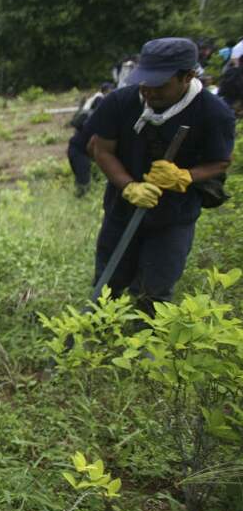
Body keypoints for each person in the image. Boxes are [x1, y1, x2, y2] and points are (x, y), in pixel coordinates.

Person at [85, 37, 235, 319]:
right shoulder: (120, 102)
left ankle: (146, 357)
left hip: (173, 217)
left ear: (187, 76)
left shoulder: (214, 113)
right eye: (145, 81)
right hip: (122, 209)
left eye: (160, 84)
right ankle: (96, 344)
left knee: (154, 292)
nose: (149, 91)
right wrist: (128, 186)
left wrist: (185, 176)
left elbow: (221, 162)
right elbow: (100, 149)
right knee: (108, 283)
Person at [67, 82, 114, 197]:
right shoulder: (98, 117)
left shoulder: (97, 114)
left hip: (82, 149)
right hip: (78, 151)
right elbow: (92, 145)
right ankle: (80, 201)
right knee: (84, 182)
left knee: (94, 178)